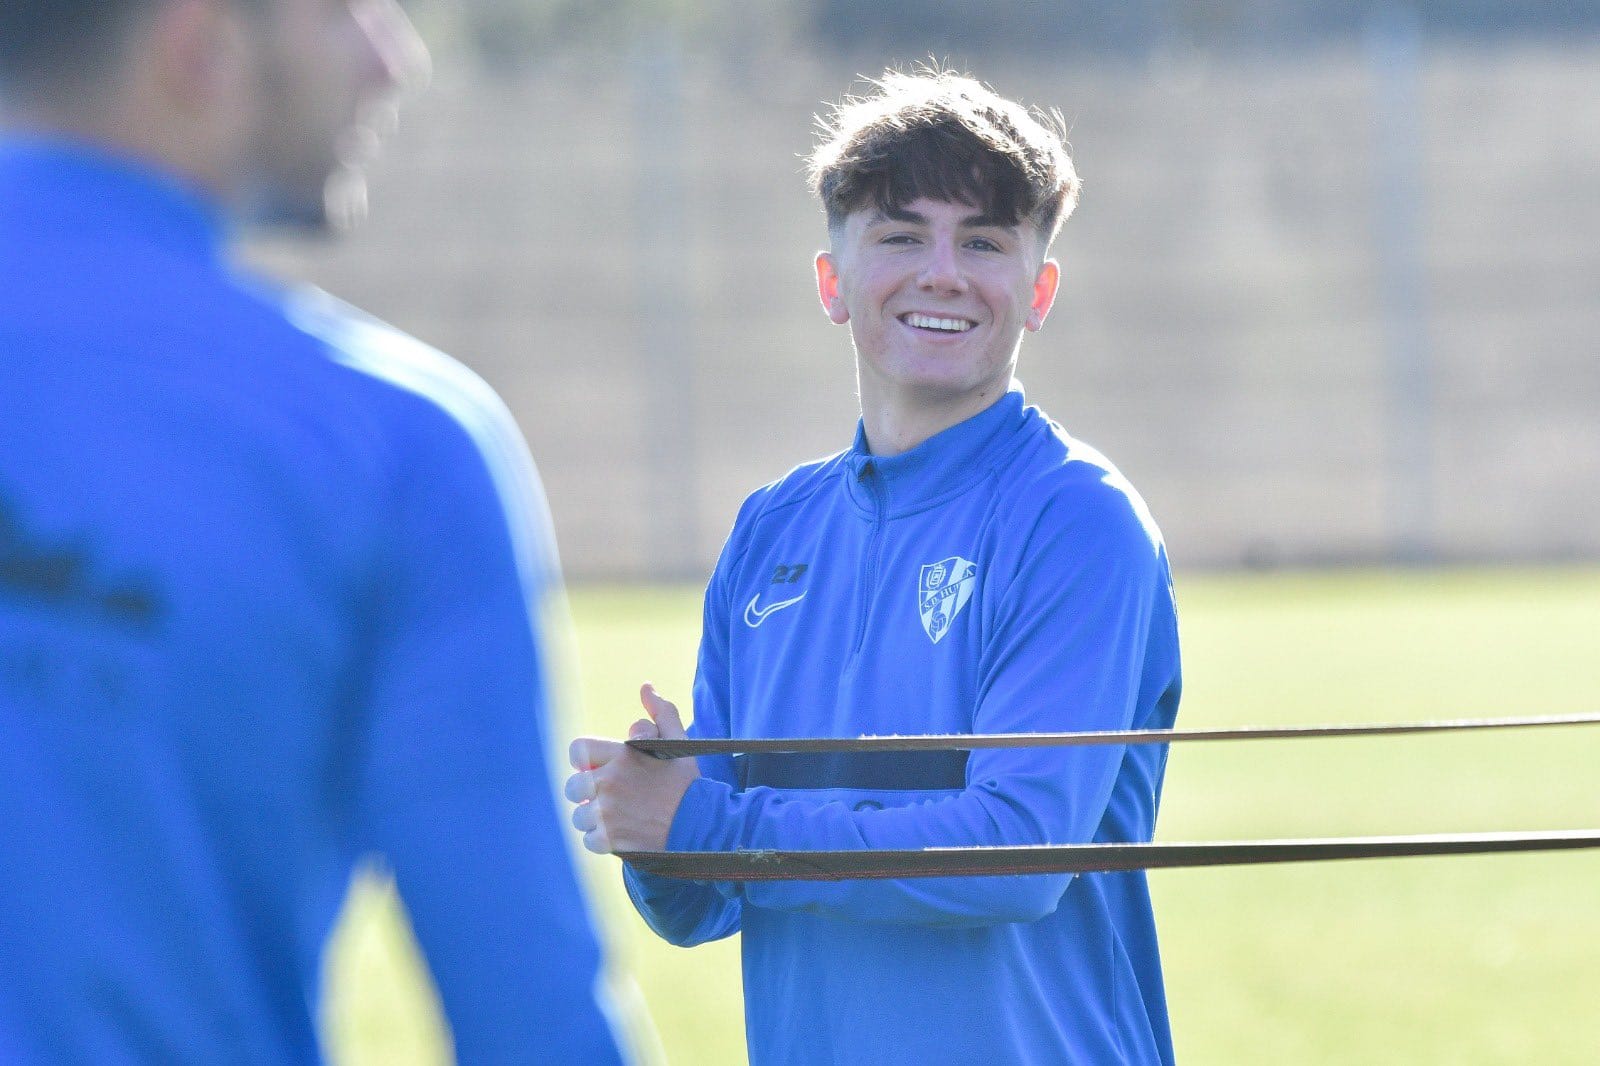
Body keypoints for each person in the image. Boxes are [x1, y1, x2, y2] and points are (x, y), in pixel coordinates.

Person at [0, 1, 634, 1061]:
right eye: (351, 12)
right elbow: (533, 1024)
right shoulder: (387, 445)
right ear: (196, 46)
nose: (396, 59)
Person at [567, 68, 1183, 1065]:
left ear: (1038, 291)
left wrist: (712, 822)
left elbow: (1017, 856)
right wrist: (654, 831)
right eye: (901, 235)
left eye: (982, 241)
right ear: (831, 281)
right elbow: (708, 899)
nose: (941, 271)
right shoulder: (772, 529)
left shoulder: (1076, 518)